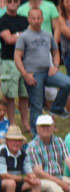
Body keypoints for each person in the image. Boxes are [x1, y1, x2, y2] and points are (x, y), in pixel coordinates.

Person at [15, 7, 70, 123]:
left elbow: (56, 52)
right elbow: (17, 57)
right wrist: (25, 74)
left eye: (38, 18)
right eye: (33, 18)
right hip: (33, 74)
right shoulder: (24, 37)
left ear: (42, 19)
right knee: (37, 106)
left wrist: (55, 66)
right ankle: (36, 134)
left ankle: (57, 108)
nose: (36, 20)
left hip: (48, 71)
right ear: (29, 19)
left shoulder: (48, 35)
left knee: (69, 83)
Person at [0, 0, 31, 132]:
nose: (12, 3)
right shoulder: (2, 20)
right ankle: (12, 123)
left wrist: (17, 35)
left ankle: (25, 123)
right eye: (9, 1)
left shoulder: (25, 19)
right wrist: (23, 34)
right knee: (10, 94)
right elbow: (9, 40)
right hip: (9, 61)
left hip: (25, 60)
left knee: (24, 94)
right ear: (5, 3)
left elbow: (32, 36)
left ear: (19, 3)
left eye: (15, 1)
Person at [1, 127, 41, 192]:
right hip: (3, 183)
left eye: (19, 141)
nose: (17, 143)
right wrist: (24, 178)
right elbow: (3, 174)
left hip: (16, 183)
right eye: (13, 140)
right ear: (7, 141)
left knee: (36, 182)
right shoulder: (2, 152)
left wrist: (32, 177)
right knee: (10, 183)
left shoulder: (23, 153)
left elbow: (29, 170)